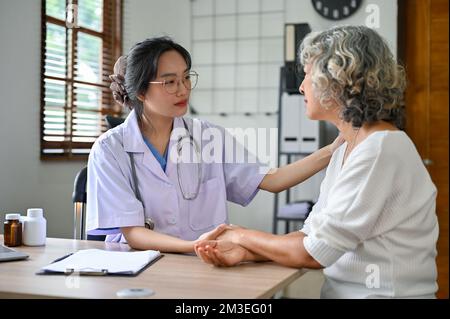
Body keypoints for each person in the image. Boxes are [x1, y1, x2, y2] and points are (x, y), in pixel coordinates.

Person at [195, 26, 439, 299]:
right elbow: (310, 235)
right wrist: (247, 252)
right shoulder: (347, 148)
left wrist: (241, 236)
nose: (301, 86)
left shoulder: (379, 149)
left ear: (340, 79)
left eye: (309, 73)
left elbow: (315, 252)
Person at [85, 37, 343, 253]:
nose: (183, 89)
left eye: (186, 78)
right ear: (141, 92)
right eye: (170, 82)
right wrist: (194, 245)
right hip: (138, 266)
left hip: (203, 262)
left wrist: (332, 150)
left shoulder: (207, 136)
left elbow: (272, 180)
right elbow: (134, 234)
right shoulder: (110, 149)